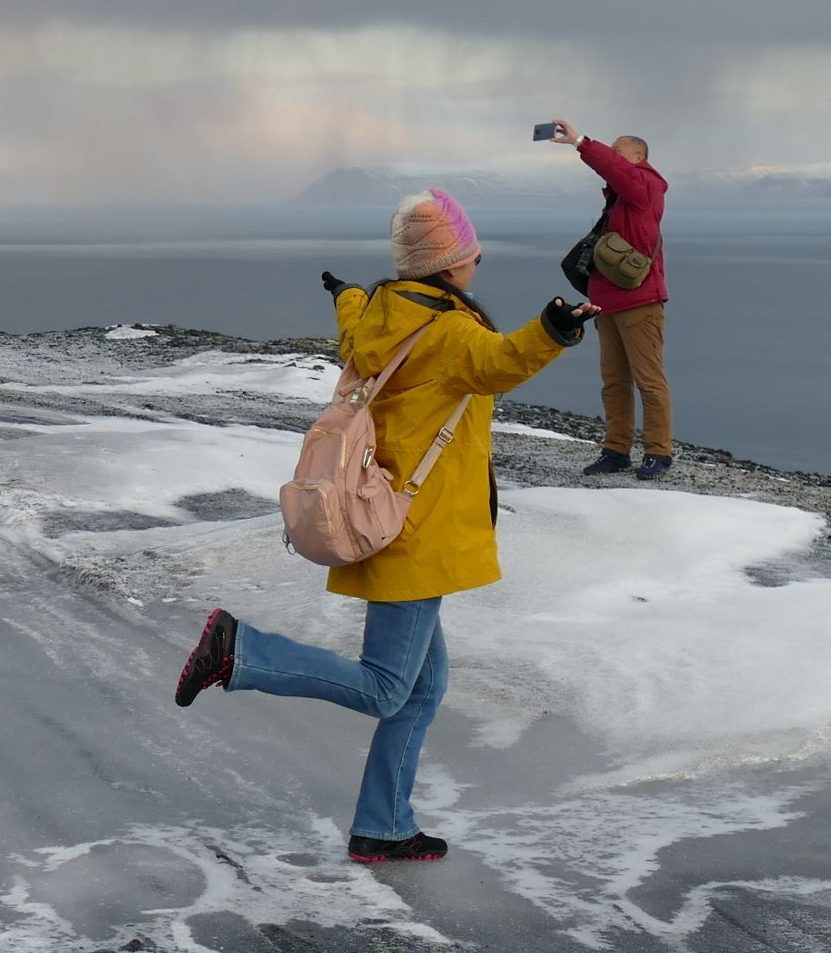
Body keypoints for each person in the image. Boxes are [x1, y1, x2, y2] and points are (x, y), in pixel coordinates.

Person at [172, 188, 587, 864]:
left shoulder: (380, 312)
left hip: (384, 513)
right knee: (388, 684)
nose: (476, 258)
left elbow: (354, 317)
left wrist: (344, 293)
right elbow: (502, 362)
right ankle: (239, 649)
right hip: (413, 532)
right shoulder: (453, 333)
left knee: (423, 687)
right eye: (469, 250)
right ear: (450, 262)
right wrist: (556, 328)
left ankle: (383, 824)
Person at [551, 120, 673, 479]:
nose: (613, 156)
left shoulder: (645, 187)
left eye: (619, 151)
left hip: (640, 303)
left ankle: (658, 453)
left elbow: (615, 169)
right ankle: (616, 450)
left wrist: (581, 142)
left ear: (639, 158)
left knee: (648, 380)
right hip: (607, 303)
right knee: (614, 381)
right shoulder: (621, 201)